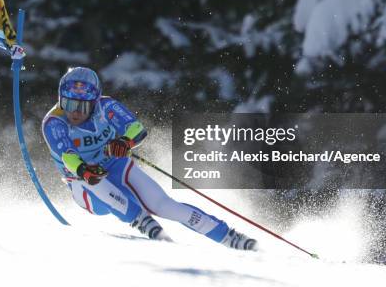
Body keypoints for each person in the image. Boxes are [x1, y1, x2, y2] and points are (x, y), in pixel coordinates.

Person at [41, 66, 257, 250]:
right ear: (61, 99)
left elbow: (136, 128)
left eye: (82, 106)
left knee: (164, 205)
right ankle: (144, 223)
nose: (75, 112)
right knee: (93, 180)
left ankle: (231, 237)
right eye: (69, 104)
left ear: (95, 101)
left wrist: (125, 141)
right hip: (84, 184)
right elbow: (68, 156)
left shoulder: (106, 107)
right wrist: (84, 170)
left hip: (116, 166)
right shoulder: (54, 123)